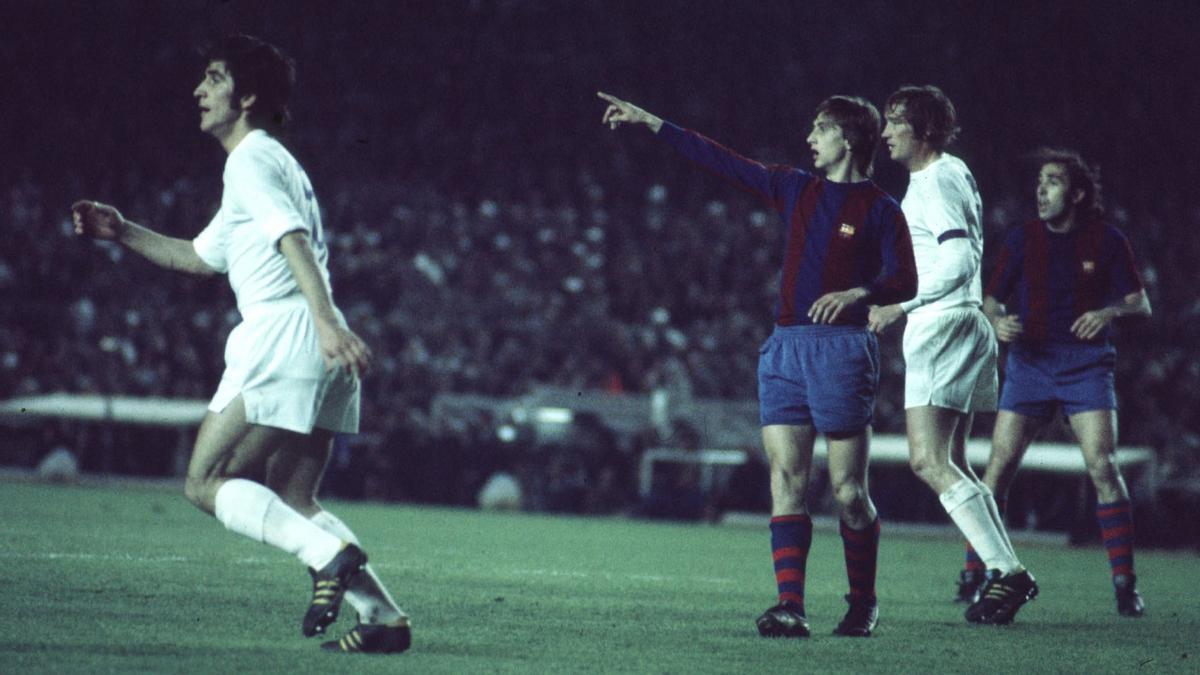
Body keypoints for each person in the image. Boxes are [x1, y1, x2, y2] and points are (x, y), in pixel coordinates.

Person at [71, 34, 410, 653]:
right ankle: (383, 619)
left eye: (214, 79)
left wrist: (327, 320)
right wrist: (122, 232)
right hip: (313, 338)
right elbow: (200, 257)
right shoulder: (270, 164)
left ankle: (326, 556)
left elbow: (292, 238)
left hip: (290, 330)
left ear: (247, 96)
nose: (199, 91)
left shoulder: (249, 159)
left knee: (205, 480)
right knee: (292, 495)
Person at [599, 90, 917, 638]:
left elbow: (905, 280)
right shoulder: (796, 188)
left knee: (847, 492)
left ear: (847, 138)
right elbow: (721, 160)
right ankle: (790, 605)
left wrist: (859, 293)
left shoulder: (883, 211)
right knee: (787, 477)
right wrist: (654, 123)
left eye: (819, 129)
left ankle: (862, 602)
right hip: (786, 348)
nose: (810, 139)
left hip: (842, 350)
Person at [868, 85, 1036, 625]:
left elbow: (960, 261)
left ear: (923, 131)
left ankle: (1007, 571)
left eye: (895, 122)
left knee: (928, 461)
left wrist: (900, 304)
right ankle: (1003, 571)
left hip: (943, 324)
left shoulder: (936, 177)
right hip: (960, 325)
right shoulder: (948, 173)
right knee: (957, 463)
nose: (886, 132)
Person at [974, 148, 1151, 617]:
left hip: (1085, 364)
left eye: (1052, 181)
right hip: (1029, 363)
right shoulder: (1022, 238)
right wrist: (997, 323)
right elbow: (990, 302)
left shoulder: (1107, 240)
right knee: (998, 470)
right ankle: (977, 574)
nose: (1041, 189)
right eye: (1039, 181)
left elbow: (1140, 304)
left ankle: (1125, 584)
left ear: (1076, 193)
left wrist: (1107, 311)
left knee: (1102, 465)